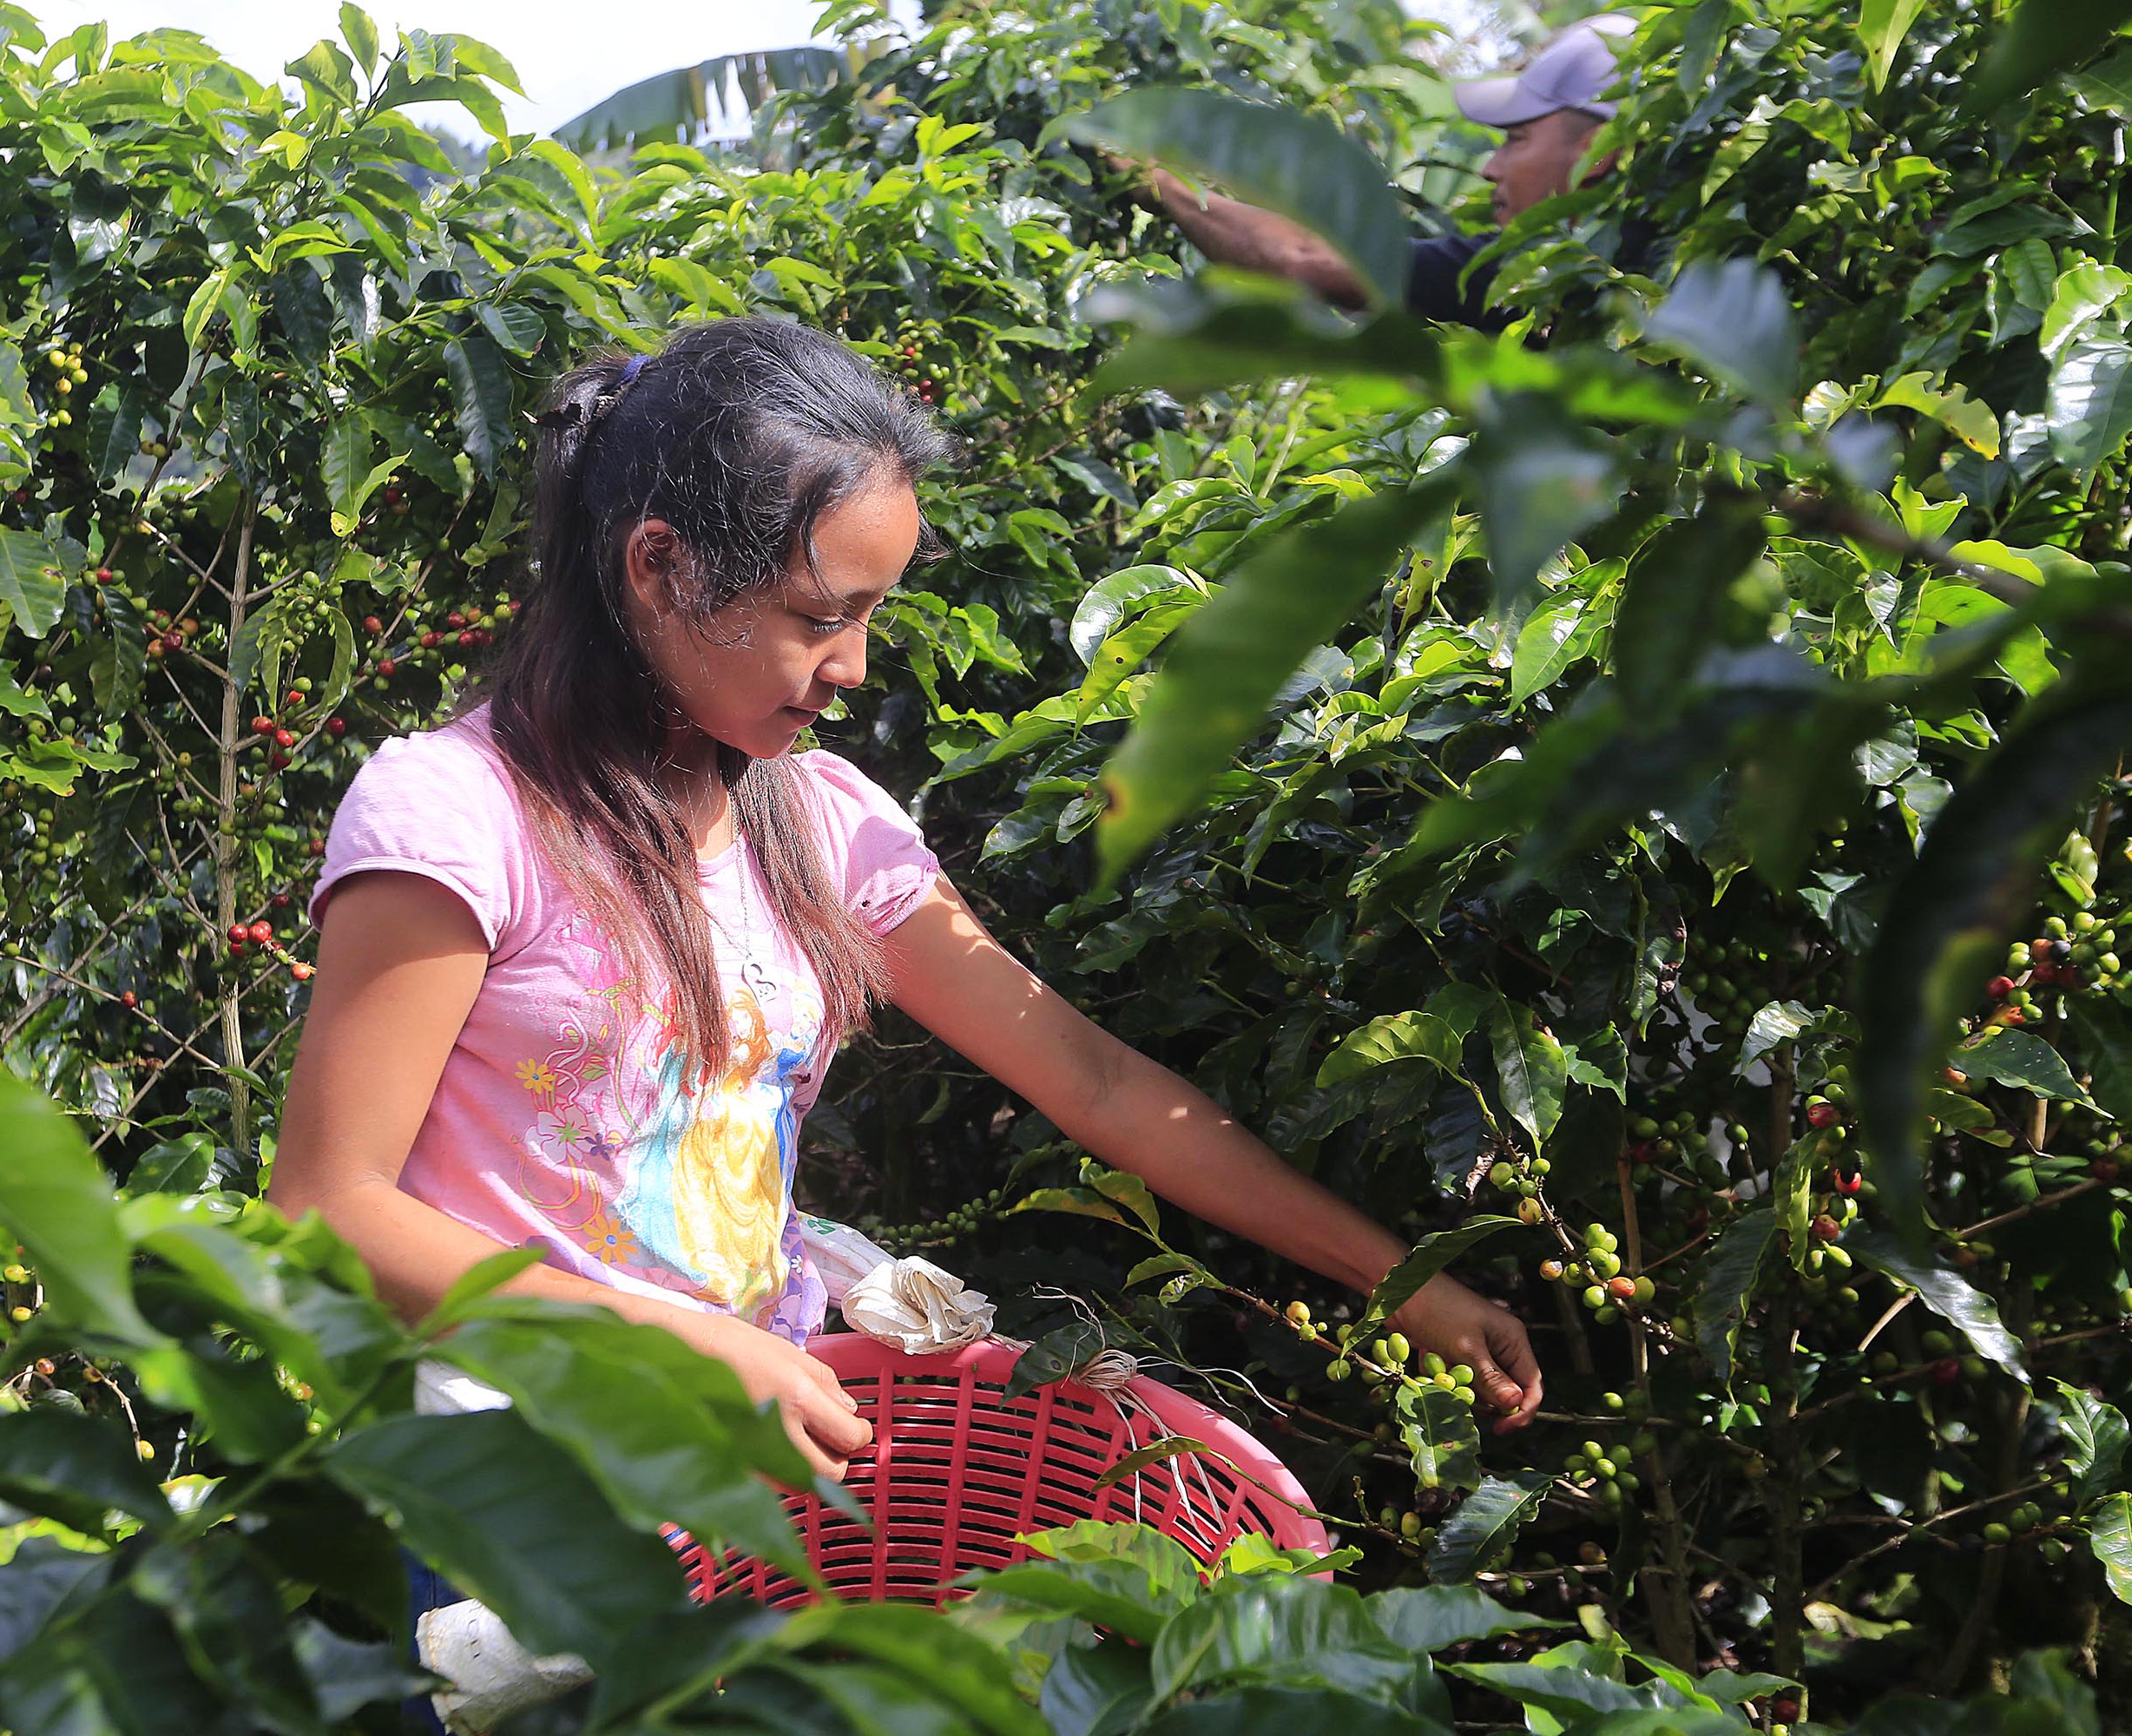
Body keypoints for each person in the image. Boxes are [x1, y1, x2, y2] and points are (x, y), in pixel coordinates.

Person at [267, 317, 1543, 1502]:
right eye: (820, 617)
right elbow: (328, 1207)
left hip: (754, 1465)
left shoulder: (819, 820)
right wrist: (682, 1348)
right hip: (523, 1492)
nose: (853, 668)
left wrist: (1403, 1282)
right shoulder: (458, 819)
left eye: (871, 615)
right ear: (660, 566)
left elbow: (1093, 1082)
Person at [1110, 14, 1638, 326]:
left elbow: (1307, 259)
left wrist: (1161, 184)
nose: (1491, 170)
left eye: (1516, 140)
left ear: (1598, 153)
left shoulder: (1549, 271)